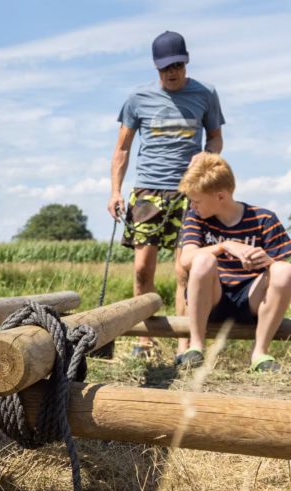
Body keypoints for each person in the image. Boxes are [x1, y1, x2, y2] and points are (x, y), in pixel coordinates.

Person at [105, 31, 225, 358]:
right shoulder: (137, 98)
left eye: (176, 65)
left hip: (190, 191)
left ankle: (185, 345)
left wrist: (207, 154)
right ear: (156, 68)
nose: (171, 72)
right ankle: (145, 341)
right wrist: (116, 191)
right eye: (164, 68)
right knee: (143, 268)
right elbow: (122, 150)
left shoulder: (206, 94)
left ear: (186, 62)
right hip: (146, 190)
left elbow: (216, 139)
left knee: (184, 269)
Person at [178, 153, 291, 371]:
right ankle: (196, 347)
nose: (193, 205)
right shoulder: (196, 217)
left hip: (253, 299)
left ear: (220, 197)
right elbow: (186, 259)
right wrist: (225, 246)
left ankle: (260, 353)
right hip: (212, 298)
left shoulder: (264, 219)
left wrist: (268, 261)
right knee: (202, 261)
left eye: (197, 200)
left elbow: (281, 273)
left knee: (284, 270)